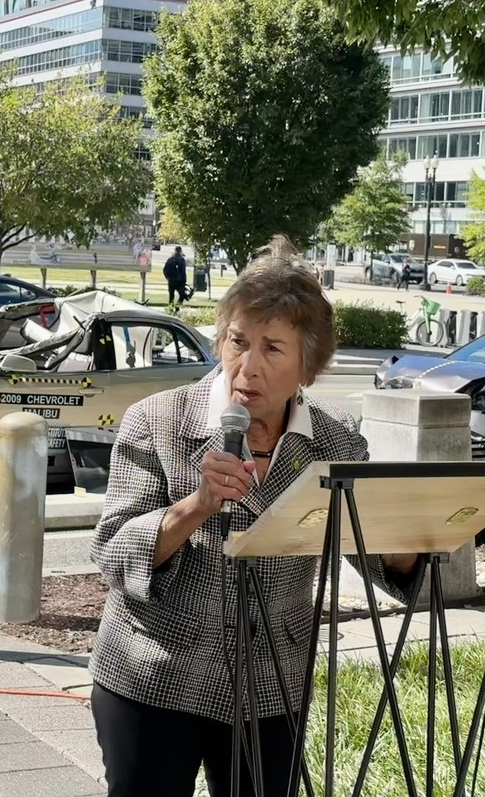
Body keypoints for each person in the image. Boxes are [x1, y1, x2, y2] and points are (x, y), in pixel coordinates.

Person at [88, 236, 420, 797]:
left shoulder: (335, 444)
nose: (248, 366)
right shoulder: (157, 420)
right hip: (154, 674)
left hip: (269, 686)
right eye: (237, 342)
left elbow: (382, 559)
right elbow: (113, 555)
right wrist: (194, 507)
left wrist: (409, 533)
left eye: (272, 348)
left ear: (306, 367)